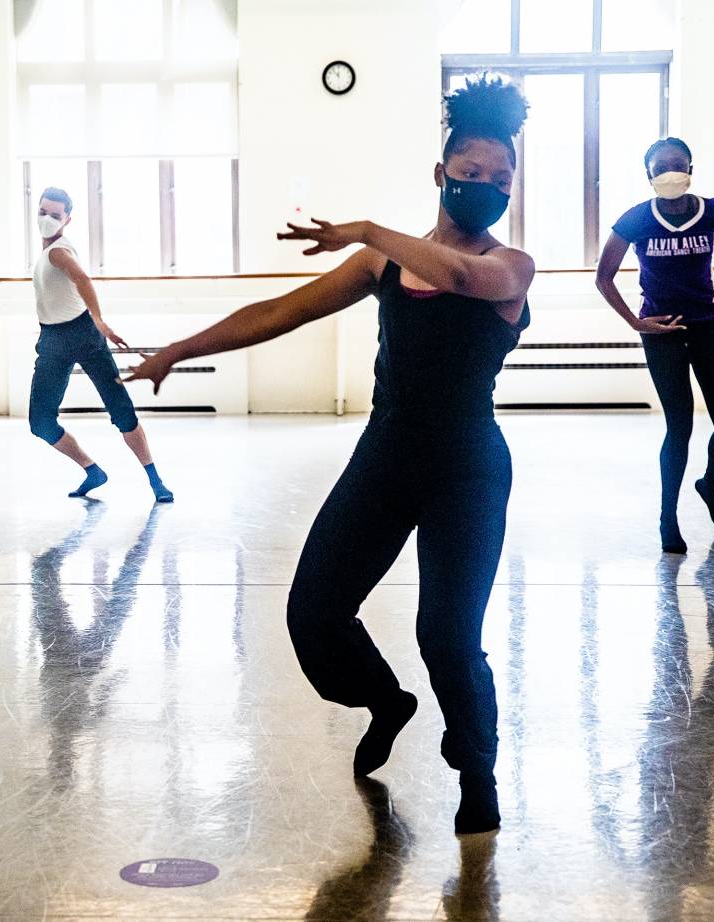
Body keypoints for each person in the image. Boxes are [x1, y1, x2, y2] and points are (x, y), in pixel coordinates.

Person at [126, 76, 534, 834]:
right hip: (387, 455)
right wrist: (182, 348)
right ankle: (387, 702)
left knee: (446, 636)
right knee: (314, 613)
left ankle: (476, 769)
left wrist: (370, 227)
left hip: (469, 464)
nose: (486, 187)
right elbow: (282, 310)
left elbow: (457, 275)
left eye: (501, 179)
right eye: (471, 173)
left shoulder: (511, 267)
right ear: (441, 173)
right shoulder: (382, 266)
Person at [595, 137, 714, 554]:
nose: (669, 173)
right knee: (679, 427)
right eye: (660, 167)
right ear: (649, 175)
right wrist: (636, 322)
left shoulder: (711, 212)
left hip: (707, 325)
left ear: (690, 168)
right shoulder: (636, 220)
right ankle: (668, 518)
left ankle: (709, 484)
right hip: (662, 332)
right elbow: (603, 276)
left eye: (676, 164)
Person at [28, 187, 174, 503]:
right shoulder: (45, 253)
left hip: (83, 334)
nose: (47, 219)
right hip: (52, 339)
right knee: (40, 422)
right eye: (43, 212)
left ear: (67, 219)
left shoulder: (58, 252)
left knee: (120, 408)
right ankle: (92, 470)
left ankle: (155, 481)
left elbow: (83, 280)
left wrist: (98, 321)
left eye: (55, 215)